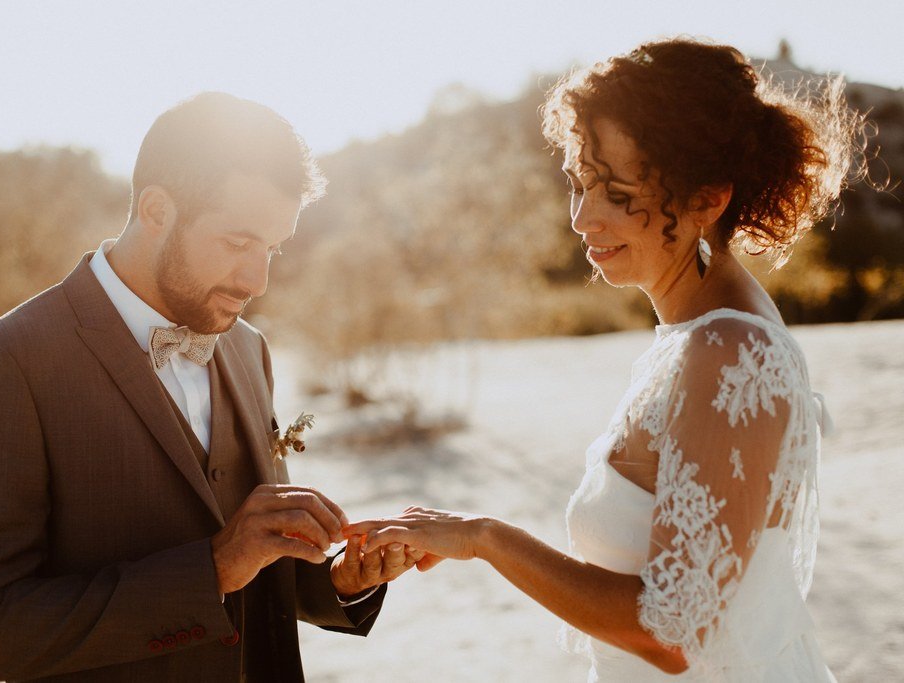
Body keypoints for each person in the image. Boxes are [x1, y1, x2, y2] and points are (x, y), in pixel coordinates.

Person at [346, 38, 863, 681]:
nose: (585, 217)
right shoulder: (695, 337)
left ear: (708, 199)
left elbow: (673, 637)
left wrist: (482, 538)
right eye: (582, 182)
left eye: (618, 191)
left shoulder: (730, 351)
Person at [0, 92, 419, 682]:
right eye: (238, 243)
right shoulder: (7, 364)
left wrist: (335, 578)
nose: (258, 279)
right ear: (156, 210)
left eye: (271, 248)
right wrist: (210, 569)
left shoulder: (247, 348)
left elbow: (256, 570)